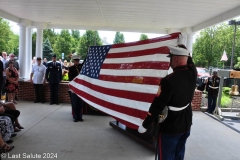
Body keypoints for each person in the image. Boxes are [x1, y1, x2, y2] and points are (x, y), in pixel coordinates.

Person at [138, 45, 197, 160]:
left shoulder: (169, 80)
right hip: (186, 122)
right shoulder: (192, 72)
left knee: (167, 156)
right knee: (179, 154)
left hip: (171, 126)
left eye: (171, 58)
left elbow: (157, 105)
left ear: (174, 59)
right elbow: (189, 61)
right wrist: (184, 51)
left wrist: (145, 124)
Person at [68, 55, 84, 122]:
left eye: (78, 60)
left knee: (80, 103)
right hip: (74, 88)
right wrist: (71, 88)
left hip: (81, 88)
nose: (77, 62)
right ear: (74, 61)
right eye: (76, 60)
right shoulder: (71, 68)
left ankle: (80, 117)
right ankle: (75, 117)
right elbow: (70, 79)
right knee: (75, 103)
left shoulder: (82, 67)